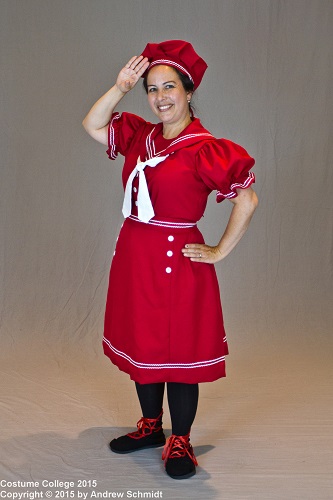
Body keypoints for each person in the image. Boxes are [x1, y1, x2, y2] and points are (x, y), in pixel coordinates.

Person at [82, 39, 258, 480]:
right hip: (136, 258)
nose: (160, 97)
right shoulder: (142, 136)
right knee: (143, 344)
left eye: (170, 87)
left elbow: (248, 199)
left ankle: (180, 439)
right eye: (152, 89)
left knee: (178, 352)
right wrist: (120, 86)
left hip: (179, 262)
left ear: (189, 91)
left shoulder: (206, 149)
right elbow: (92, 124)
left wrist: (218, 250)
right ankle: (150, 428)